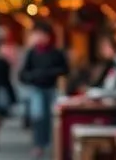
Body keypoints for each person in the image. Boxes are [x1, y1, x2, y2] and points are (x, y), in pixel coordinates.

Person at [18, 20, 69, 159]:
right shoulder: (31, 53)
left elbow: (64, 69)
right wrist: (34, 76)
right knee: (38, 116)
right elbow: (22, 74)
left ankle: (54, 143)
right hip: (36, 88)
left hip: (52, 88)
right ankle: (39, 144)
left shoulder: (56, 53)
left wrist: (49, 73)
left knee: (54, 117)